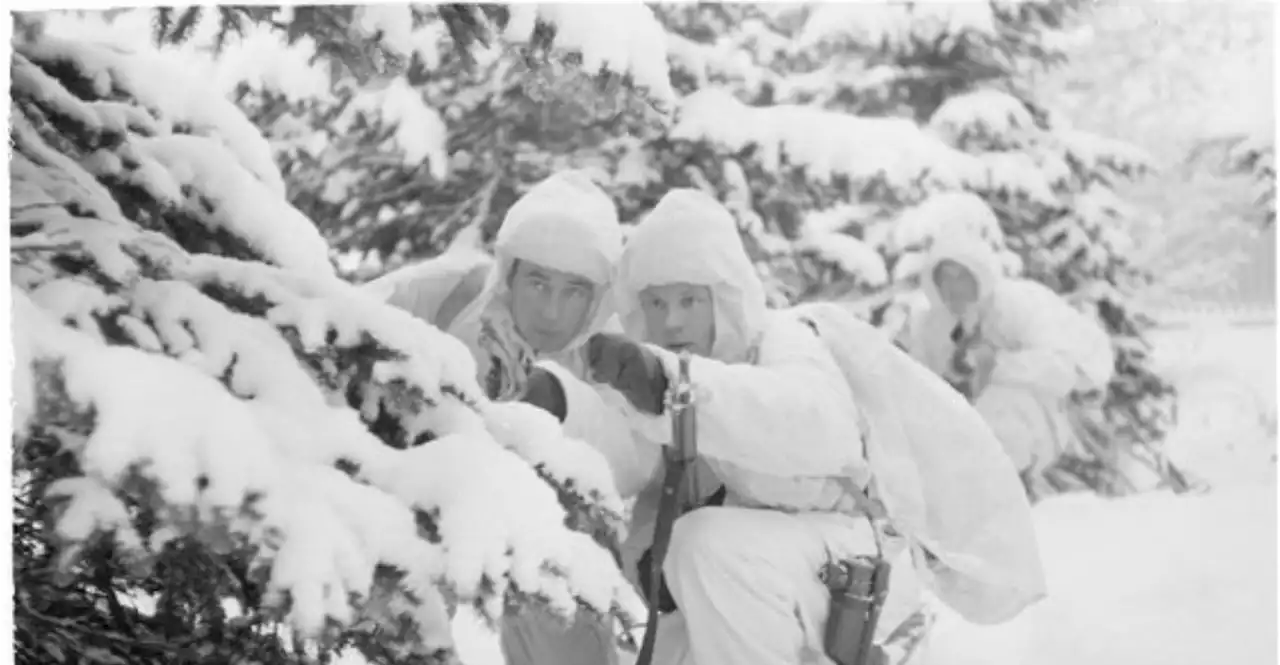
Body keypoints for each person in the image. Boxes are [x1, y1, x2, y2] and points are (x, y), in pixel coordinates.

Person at [364, 169, 626, 665]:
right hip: (418, 498)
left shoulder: (617, 351)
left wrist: (549, 396)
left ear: (599, 295)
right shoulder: (447, 295)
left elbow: (633, 461)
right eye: (537, 282)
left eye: (574, 291)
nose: (551, 311)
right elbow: (331, 328)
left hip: (548, 536)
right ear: (509, 273)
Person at [901, 234, 1115, 487]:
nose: (952, 286)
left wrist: (995, 365)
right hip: (967, 427)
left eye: (961, 275)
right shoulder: (933, 325)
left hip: (1054, 414)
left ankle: (1005, 487)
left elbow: (1064, 371)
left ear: (980, 274)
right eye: (944, 277)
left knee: (1001, 401)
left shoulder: (1018, 304)